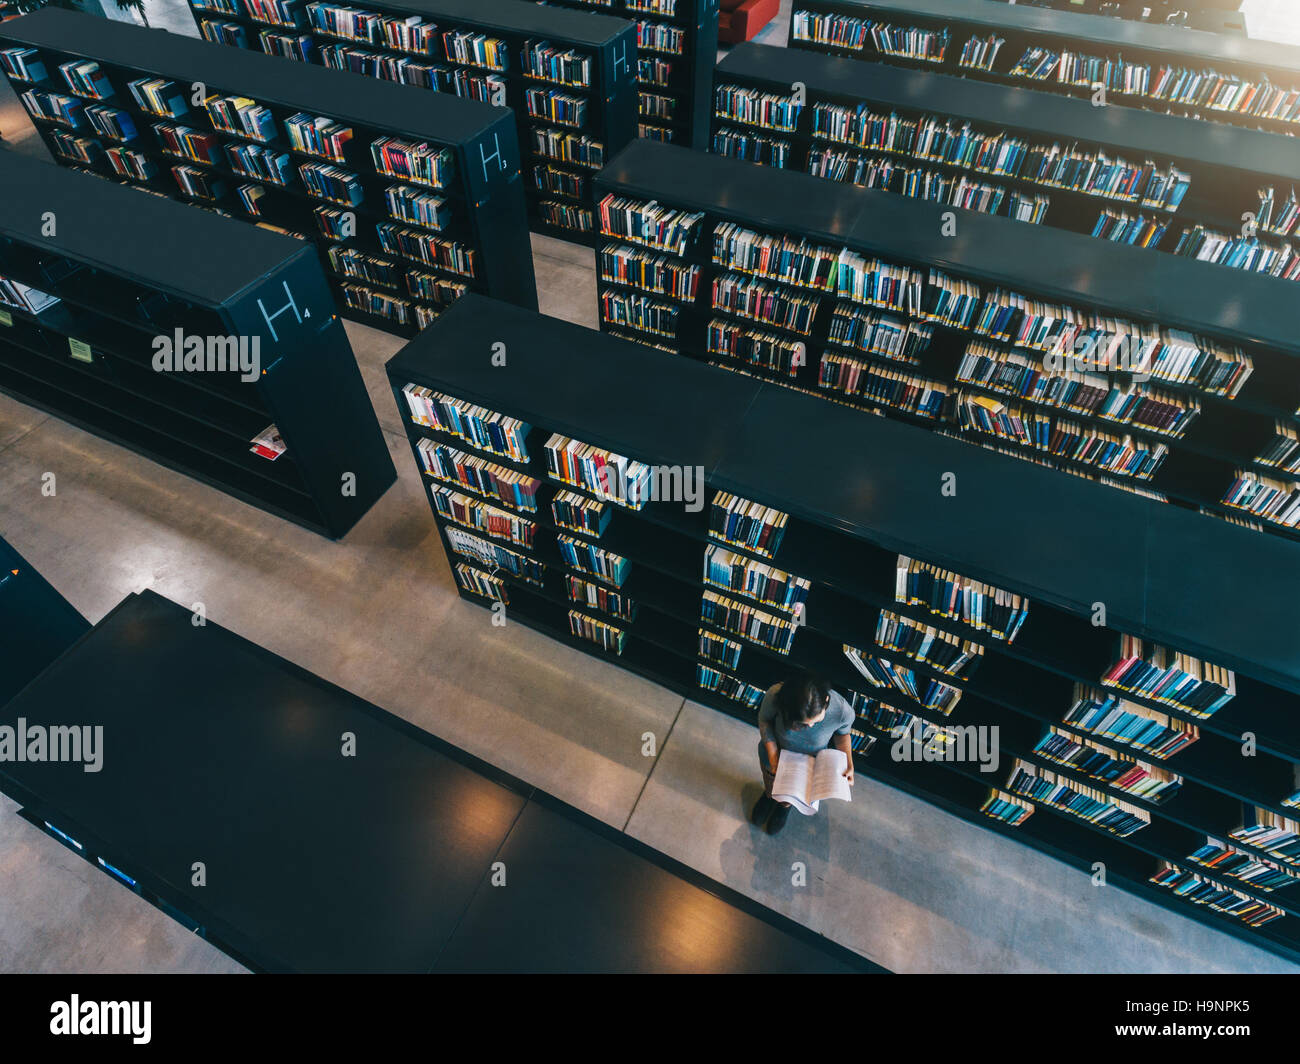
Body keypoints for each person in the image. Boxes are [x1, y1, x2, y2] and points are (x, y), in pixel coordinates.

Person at [751, 673, 855, 835]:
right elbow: (764, 720)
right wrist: (772, 755)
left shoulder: (842, 711)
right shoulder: (775, 695)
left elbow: (842, 734)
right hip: (775, 754)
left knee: (792, 796)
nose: (811, 726)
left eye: (816, 720)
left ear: (826, 701)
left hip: (809, 765)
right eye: (803, 723)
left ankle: (784, 808)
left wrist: (848, 762)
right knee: (770, 783)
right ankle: (768, 796)